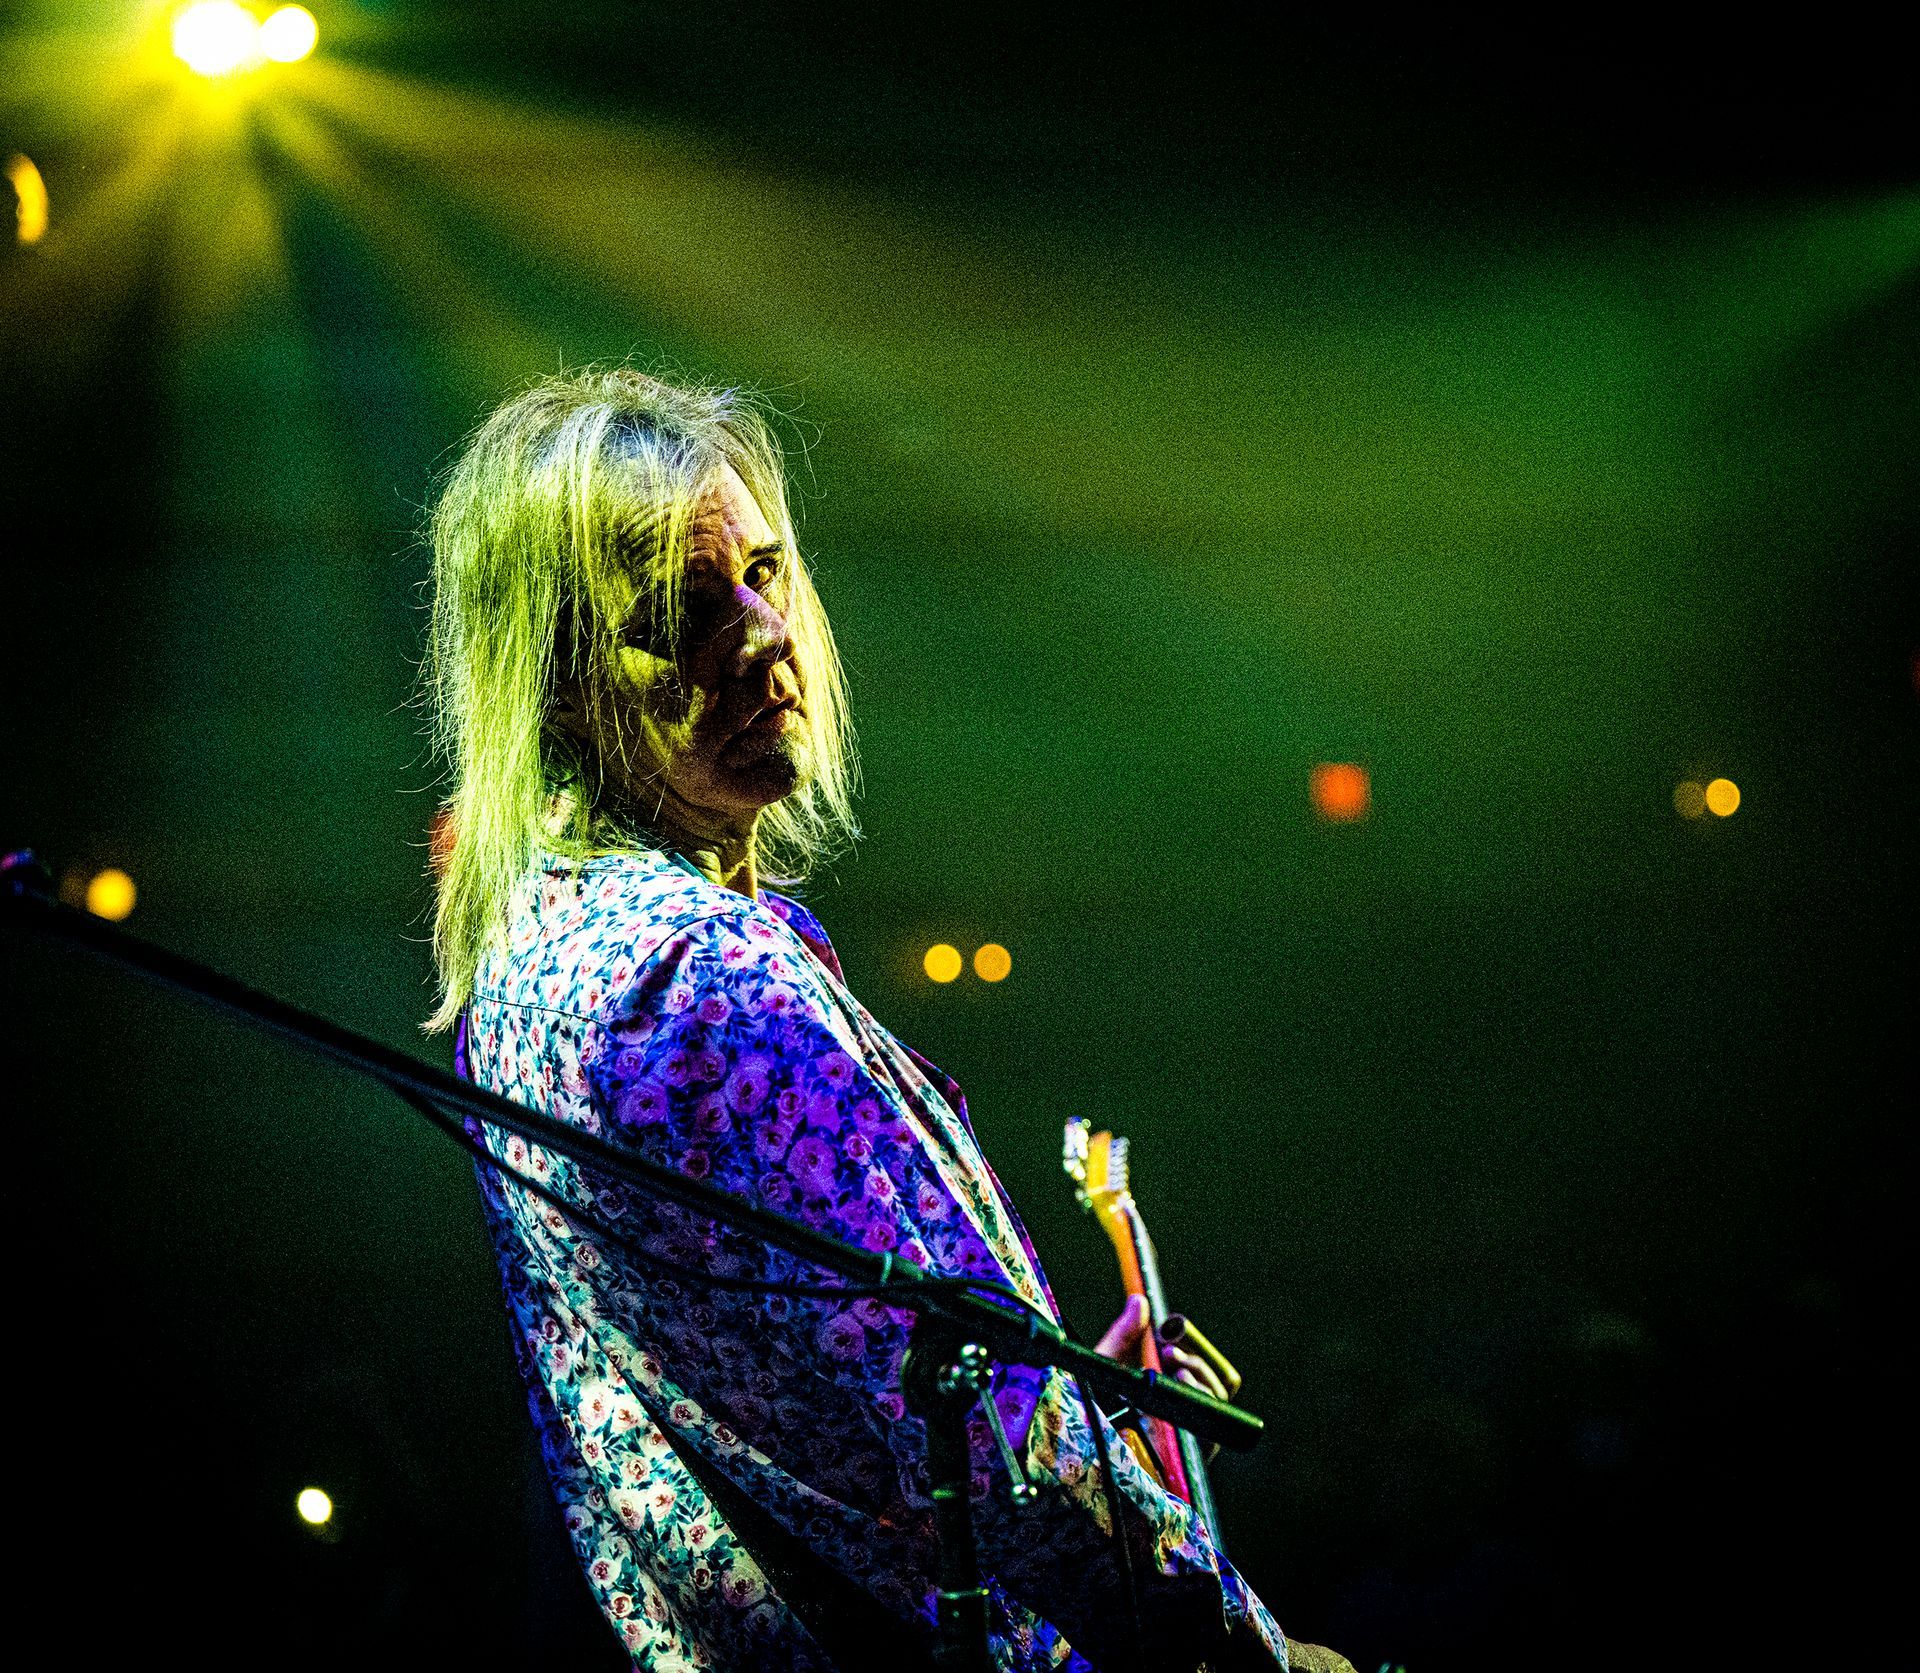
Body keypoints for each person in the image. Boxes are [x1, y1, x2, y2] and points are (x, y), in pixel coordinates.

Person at [425, 366, 1349, 1672]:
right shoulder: (708, 978)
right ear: (559, 685)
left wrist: (1060, 1385)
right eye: (681, 612)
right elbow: (1005, 1456)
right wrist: (1255, 1654)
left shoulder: (524, 967)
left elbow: (799, 1392)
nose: (764, 633)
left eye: (763, 572)